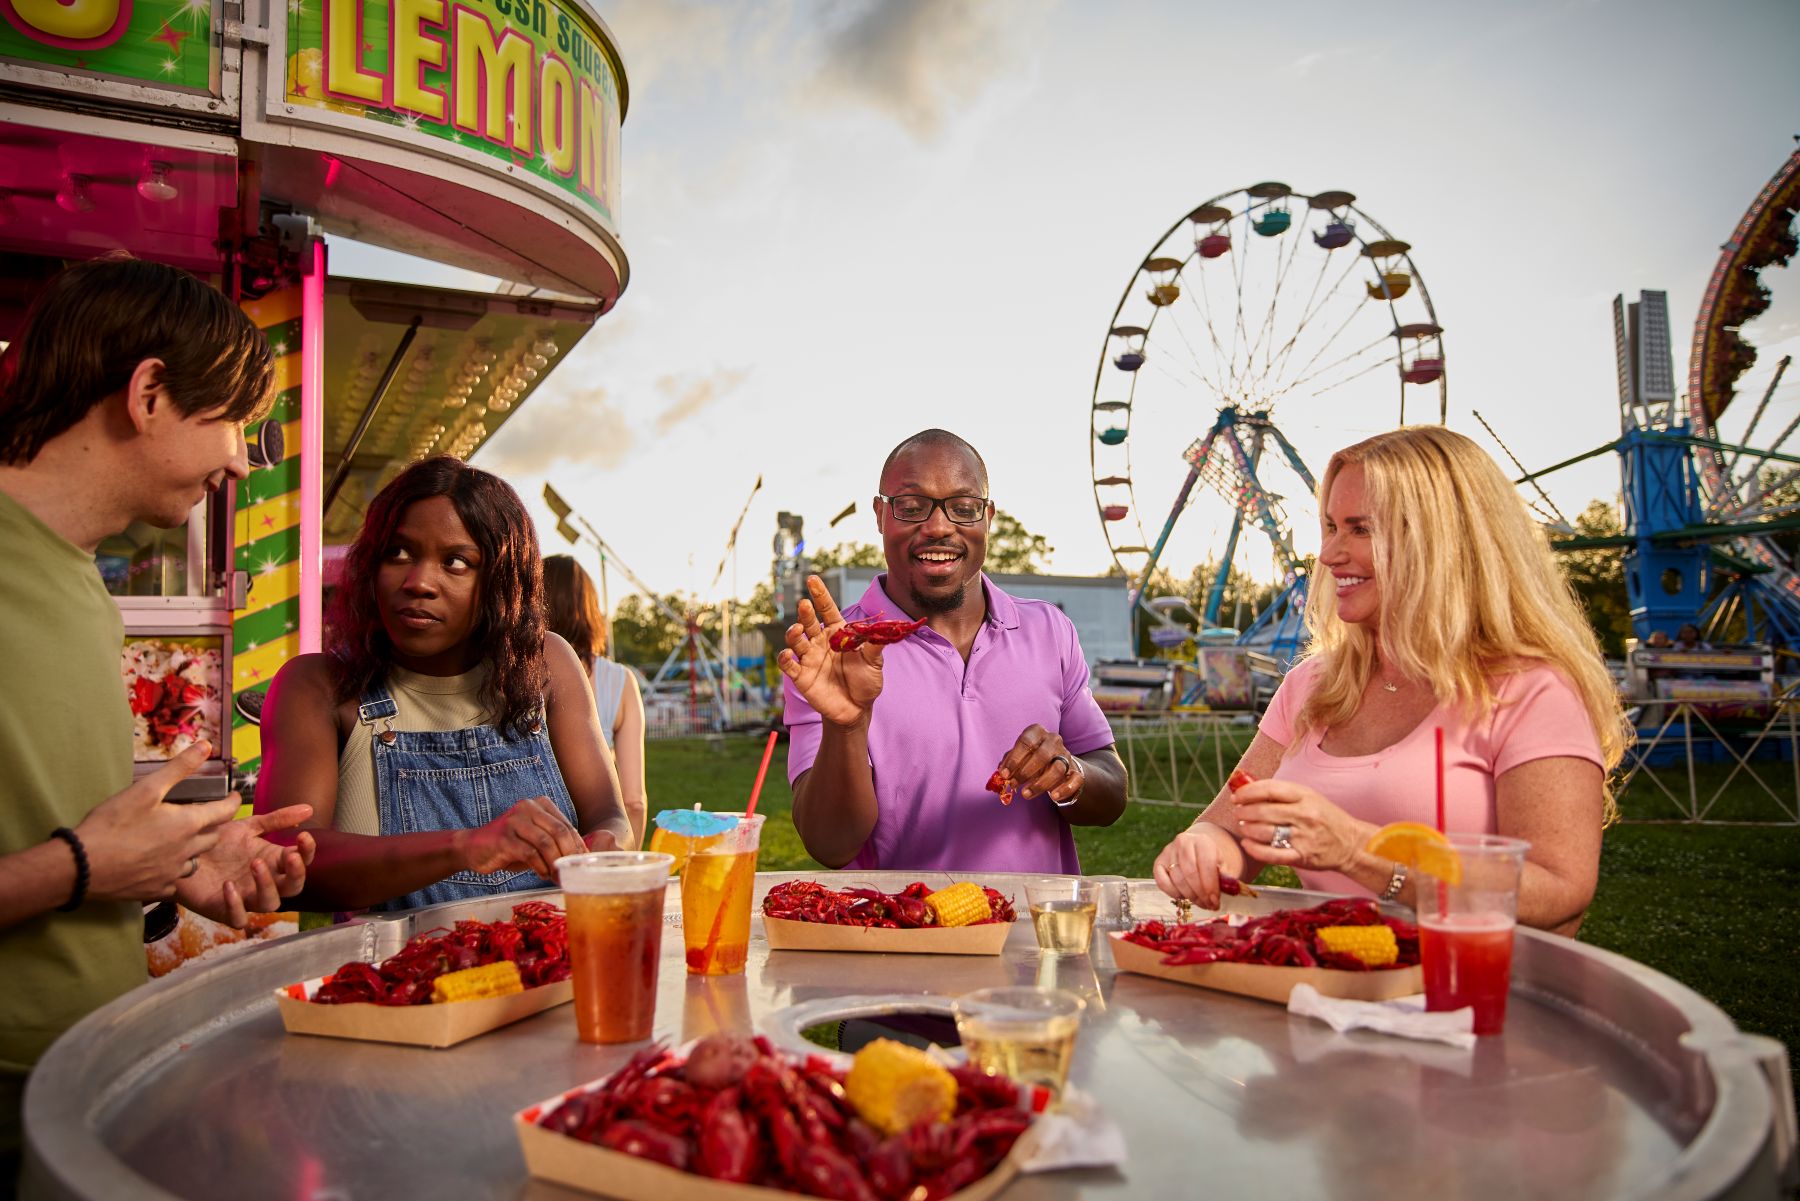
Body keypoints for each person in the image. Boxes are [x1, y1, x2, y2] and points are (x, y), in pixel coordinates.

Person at [0, 255, 314, 1182]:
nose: (234, 457)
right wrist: (88, 865)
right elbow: (70, 857)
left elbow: (53, 832)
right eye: (227, 421)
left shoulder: (81, 583)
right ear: (147, 392)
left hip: (77, 1083)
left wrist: (174, 867)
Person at [1153, 426, 1625, 936]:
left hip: (1474, 998)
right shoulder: (1311, 685)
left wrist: (1360, 853)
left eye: (1360, 529)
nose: (1330, 554)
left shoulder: (1531, 691)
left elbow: (1557, 890)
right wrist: (1204, 846)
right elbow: (1230, 827)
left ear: (1444, 542)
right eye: (1330, 527)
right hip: (1331, 991)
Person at [257, 457, 631, 911]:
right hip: (391, 978)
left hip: (551, 969)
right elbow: (286, 861)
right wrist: (464, 847)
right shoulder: (315, 685)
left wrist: (605, 845)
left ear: (500, 580)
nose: (418, 582)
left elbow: (609, 812)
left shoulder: (548, 661)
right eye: (398, 553)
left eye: (456, 562)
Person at [780, 429, 1127, 873]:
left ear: (988, 517)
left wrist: (1070, 774)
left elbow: (1112, 790)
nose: (939, 527)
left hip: (1034, 935)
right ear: (880, 514)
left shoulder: (1049, 630)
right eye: (911, 507)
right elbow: (831, 845)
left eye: (964, 508)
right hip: (902, 935)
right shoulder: (834, 651)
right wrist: (846, 725)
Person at [543, 553, 648, 848]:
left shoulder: (510, 673)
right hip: (595, 847)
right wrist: (625, 863)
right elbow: (633, 801)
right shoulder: (619, 680)